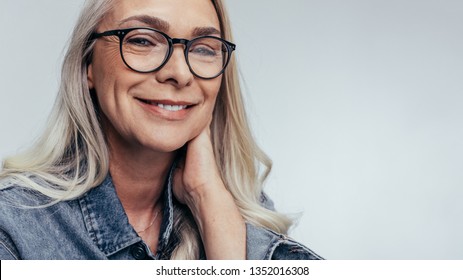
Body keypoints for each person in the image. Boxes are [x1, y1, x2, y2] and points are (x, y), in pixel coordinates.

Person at [0, 0, 322, 260]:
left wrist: (210, 204)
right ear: (88, 66)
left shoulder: (232, 210)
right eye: (142, 40)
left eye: (203, 48)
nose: (180, 74)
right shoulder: (13, 226)